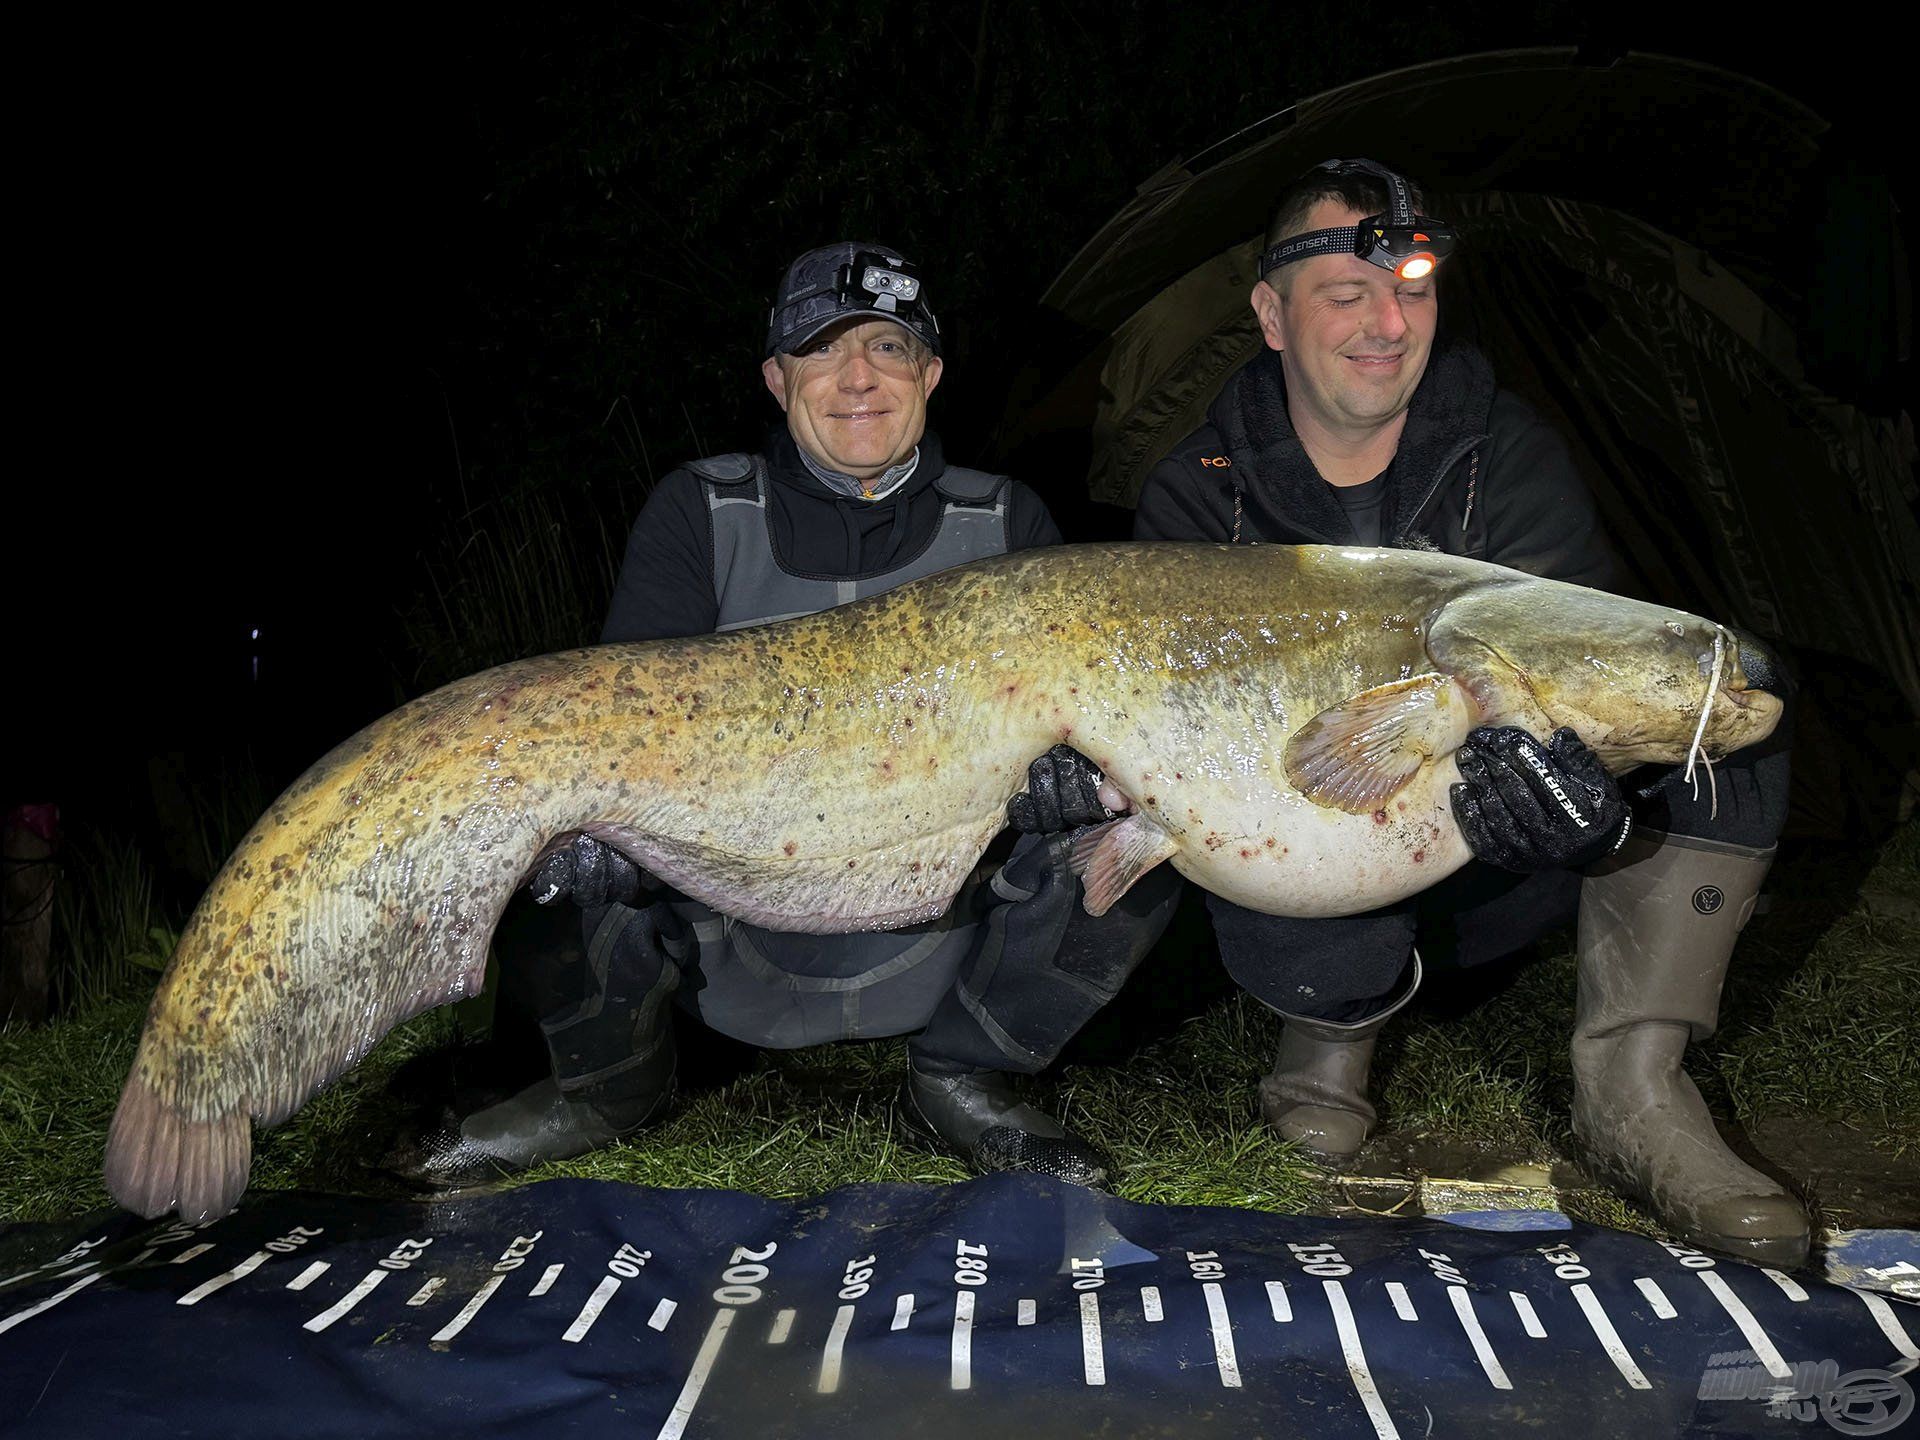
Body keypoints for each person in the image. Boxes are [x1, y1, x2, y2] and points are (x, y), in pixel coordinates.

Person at [1130, 160, 1805, 1265]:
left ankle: (1634, 1088)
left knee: (1732, 709)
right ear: (1270, 314)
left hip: (1495, 859)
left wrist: (1590, 808)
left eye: (1415, 288)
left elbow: (1585, 669)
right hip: (1301, 876)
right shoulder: (1203, 489)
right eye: (1347, 291)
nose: (1388, 323)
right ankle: (1324, 1048)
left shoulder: (1510, 455)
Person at [388, 243, 1172, 1191]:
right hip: (732, 926)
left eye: (888, 348)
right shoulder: (699, 510)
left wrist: (1065, 781)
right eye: (820, 351)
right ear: (775, 377)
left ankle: (970, 1075)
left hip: (942, 921)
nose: (857, 379)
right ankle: (603, 1088)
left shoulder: (1010, 525)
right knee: (553, 819)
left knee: (1148, 821)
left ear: (929, 372)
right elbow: (614, 728)